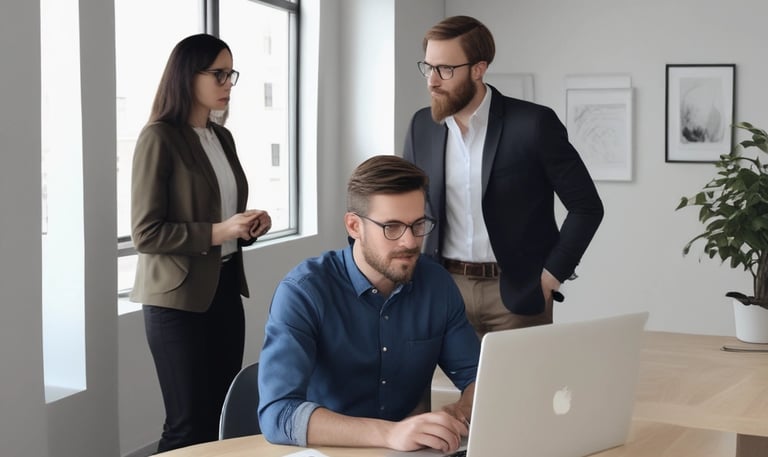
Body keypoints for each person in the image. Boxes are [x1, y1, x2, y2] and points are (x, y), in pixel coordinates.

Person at [258, 155, 480, 453]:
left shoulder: (437, 284)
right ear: (354, 226)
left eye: (418, 225)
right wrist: (390, 434)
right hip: (331, 451)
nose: (410, 242)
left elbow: (480, 377)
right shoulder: (303, 293)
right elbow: (278, 414)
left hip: (409, 451)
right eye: (392, 227)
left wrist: (462, 410)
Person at [403, 16, 604, 335]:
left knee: (522, 386)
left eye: (445, 69)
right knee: (450, 387)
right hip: (443, 291)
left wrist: (551, 276)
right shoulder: (421, 126)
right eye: (428, 67)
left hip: (516, 295)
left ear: (478, 69)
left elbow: (587, 207)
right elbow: (408, 209)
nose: (432, 81)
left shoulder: (533, 124)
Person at [130, 34, 272, 453]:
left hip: (224, 289)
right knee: (186, 424)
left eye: (232, 74)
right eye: (219, 74)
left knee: (222, 415)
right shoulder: (159, 137)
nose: (229, 82)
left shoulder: (221, 137)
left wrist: (247, 226)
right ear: (187, 76)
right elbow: (146, 232)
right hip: (176, 302)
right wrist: (220, 231)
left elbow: (221, 214)